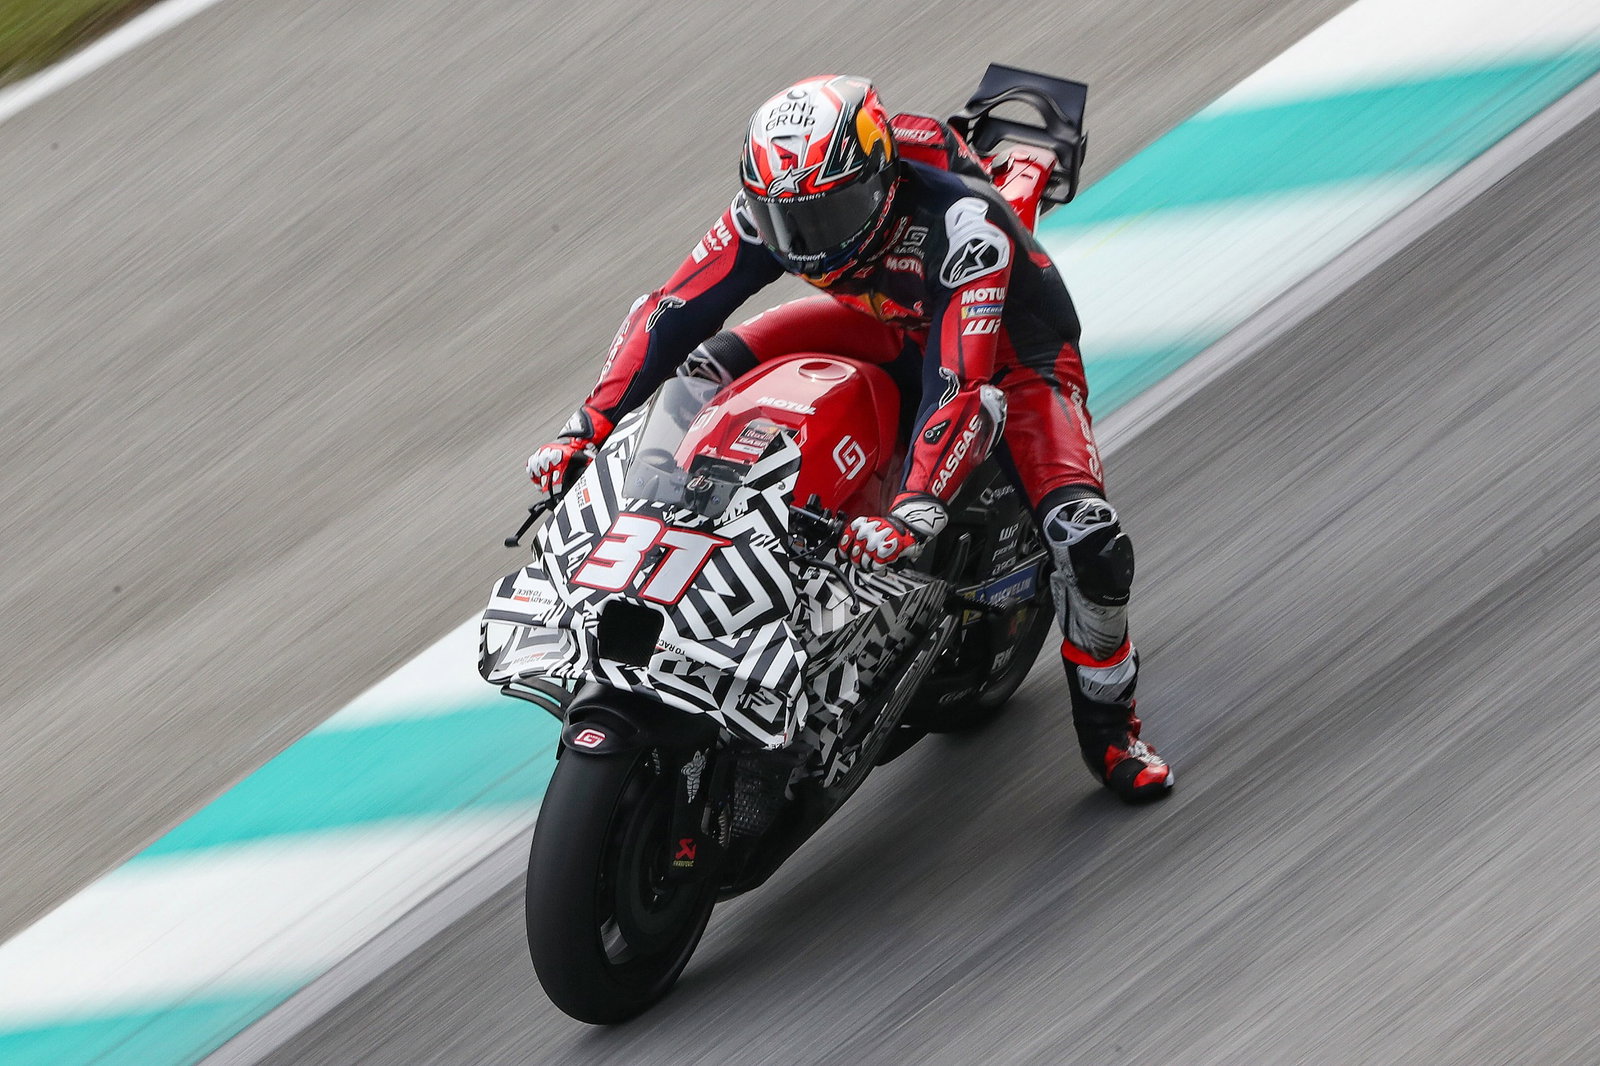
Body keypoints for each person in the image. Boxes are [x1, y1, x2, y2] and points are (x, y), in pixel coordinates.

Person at [527, 75, 1172, 802]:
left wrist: (917, 504)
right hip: (889, 319)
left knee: (1087, 538)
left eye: (830, 213)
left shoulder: (961, 226)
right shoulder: (775, 204)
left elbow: (959, 383)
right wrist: (589, 424)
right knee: (707, 370)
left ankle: (1112, 726)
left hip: (1011, 355)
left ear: (880, 179)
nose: (807, 242)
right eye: (788, 222)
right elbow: (674, 308)